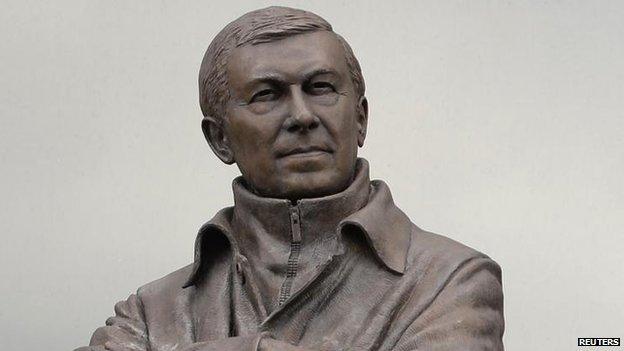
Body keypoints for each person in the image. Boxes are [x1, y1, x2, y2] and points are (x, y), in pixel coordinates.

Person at [76, 6, 504, 351]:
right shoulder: (153, 311)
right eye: (267, 95)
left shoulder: (450, 281)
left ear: (360, 118)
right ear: (220, 138)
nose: (302, 116)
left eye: (320, 88)